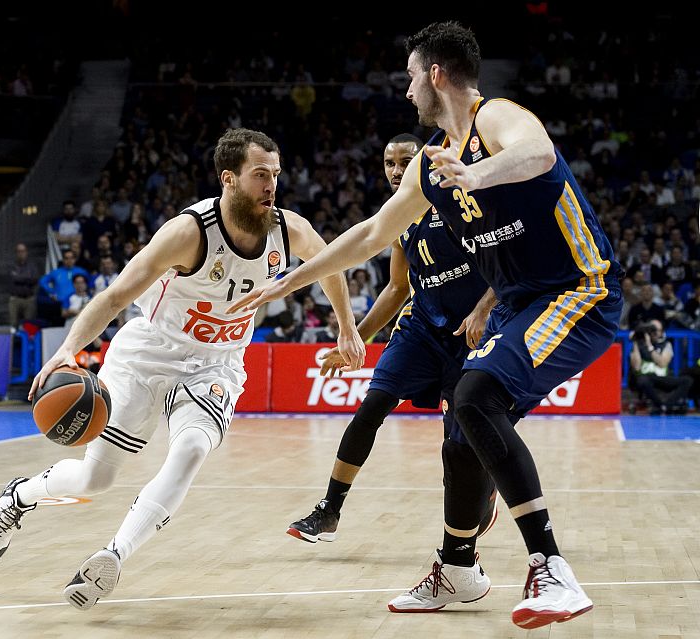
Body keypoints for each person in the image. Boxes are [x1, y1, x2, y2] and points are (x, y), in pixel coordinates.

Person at [229, 22, 623, 630]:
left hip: (579, 287)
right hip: (522, 301)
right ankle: (459, 569)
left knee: (476, 394)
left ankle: (552, 568)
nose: (407, 88)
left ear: (435, 74)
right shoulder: (430, 164)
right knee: (462, 430)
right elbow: (370, 235)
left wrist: (480, 175)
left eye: (411, 76)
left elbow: (538, 154)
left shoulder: (497, 119)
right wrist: (291, 280)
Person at [0, 128, 365, 610]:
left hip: (216, 364)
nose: (271, 186)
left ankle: (114, 555)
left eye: (275, 176)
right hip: (149, 353)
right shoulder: (188, 233)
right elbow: (117, 295)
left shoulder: (289, 230)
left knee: (193, 447)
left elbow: (333, 265)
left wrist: (348, 328)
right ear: (229, 179)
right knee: (96, 478)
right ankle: (21, 497)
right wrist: (68, 350)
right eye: (260, 175)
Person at [286, 135, 499, 576]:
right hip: (421, 327)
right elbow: (397, 288)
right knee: (371, 406)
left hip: (471, 332)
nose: (397, 169)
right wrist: (355, 339)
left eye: (405, 161)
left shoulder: (460, 204)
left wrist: (483, 309)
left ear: (423, 162)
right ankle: (329, 510)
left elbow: (508, 265)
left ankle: (483, 497)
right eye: (389, 162)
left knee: (459, 441)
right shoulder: (399, 219)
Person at [629, 319, 692, 414]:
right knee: (642, 379)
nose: (653, 333)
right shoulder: (639, 345)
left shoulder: (666, 345)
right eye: (651, 329)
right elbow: (637, 366)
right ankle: (661, 405)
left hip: (662, 379)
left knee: (687, 380)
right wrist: (635, 342)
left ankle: (666, 405)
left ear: (662, 331)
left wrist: (650, 347)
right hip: (645, 379)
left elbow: (663, 363)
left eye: (656, 330)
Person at [8, 243, 38, 326]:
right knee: (13, 323)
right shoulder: (12, 266)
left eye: (23, 251)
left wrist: (19, 277)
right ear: (16, 253)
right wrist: (27, 278)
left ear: (26, 252)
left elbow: (34, 280)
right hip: (15, 299)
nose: (21, 253)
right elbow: (13, 279)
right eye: (19, 251)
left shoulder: (32, 266)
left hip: (29, 299)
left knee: (28, 325)